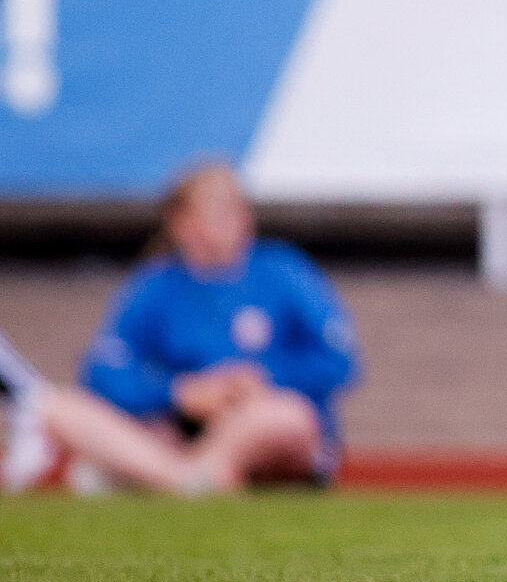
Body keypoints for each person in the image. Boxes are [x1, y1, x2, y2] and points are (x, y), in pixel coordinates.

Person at [0, 162, 359, 494]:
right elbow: (102, 373)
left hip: (264, 427)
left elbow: (338, 361)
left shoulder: (282, 271)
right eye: (209, 212)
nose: (224, 224)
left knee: (284, 417)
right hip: (181, 429)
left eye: (231, 211)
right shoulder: (156, 284)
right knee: (58, 405)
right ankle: (187, 479)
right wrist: (181, 392)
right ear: (179, 221)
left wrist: (257, 381)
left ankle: (178, 475)